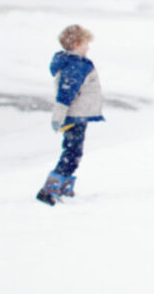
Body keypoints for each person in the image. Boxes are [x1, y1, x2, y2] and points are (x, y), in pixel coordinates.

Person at [36, 24, 104, 206]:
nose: (88, 47)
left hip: (78, 117)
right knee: (71, 154)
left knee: (74, 154)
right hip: (73, 117)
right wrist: (58, 116)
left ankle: (64, 189)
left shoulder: (76, 64)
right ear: (74, 44)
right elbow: (65, 94)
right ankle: (49, 190)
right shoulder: (75, 66)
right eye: (85, 43)